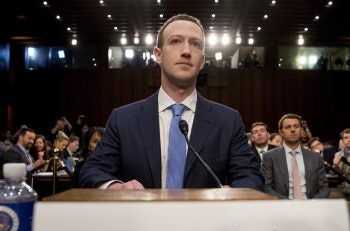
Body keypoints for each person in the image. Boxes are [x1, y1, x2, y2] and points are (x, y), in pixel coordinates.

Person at [79, 14, 264, 190]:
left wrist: (235, 193)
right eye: (176, 41)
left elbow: (250, 176)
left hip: (206, 221)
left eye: (195, 44)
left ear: (202, 61)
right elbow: (92, 171)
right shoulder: (124, 119)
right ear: (157, 55)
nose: (186, 51)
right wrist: (114, 187)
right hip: (140, 220)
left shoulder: (227, 121)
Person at [261, 113, 329, 199]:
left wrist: (312, 204)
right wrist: (290, 205)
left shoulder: (315, 157)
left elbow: (324, 188)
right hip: (282, 207)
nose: (293, 130)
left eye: (296, 126)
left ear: (301, 130)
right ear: (281, 132)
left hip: (311, 206)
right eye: (288, 127)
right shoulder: (269, 157)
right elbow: (267, 188)